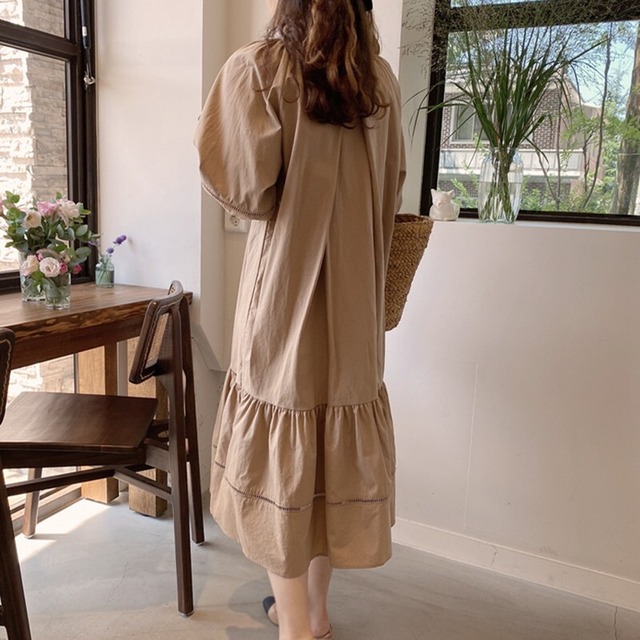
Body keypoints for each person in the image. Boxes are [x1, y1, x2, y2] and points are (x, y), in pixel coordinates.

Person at [195, 0, 405, 638]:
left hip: (283, 304)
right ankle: (314, 613)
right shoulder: (379, 81)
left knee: (284, 459)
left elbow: (243, 190)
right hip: (357, 305)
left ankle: (295, 626)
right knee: (324, 464)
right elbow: (393, 184)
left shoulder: (261, 70)